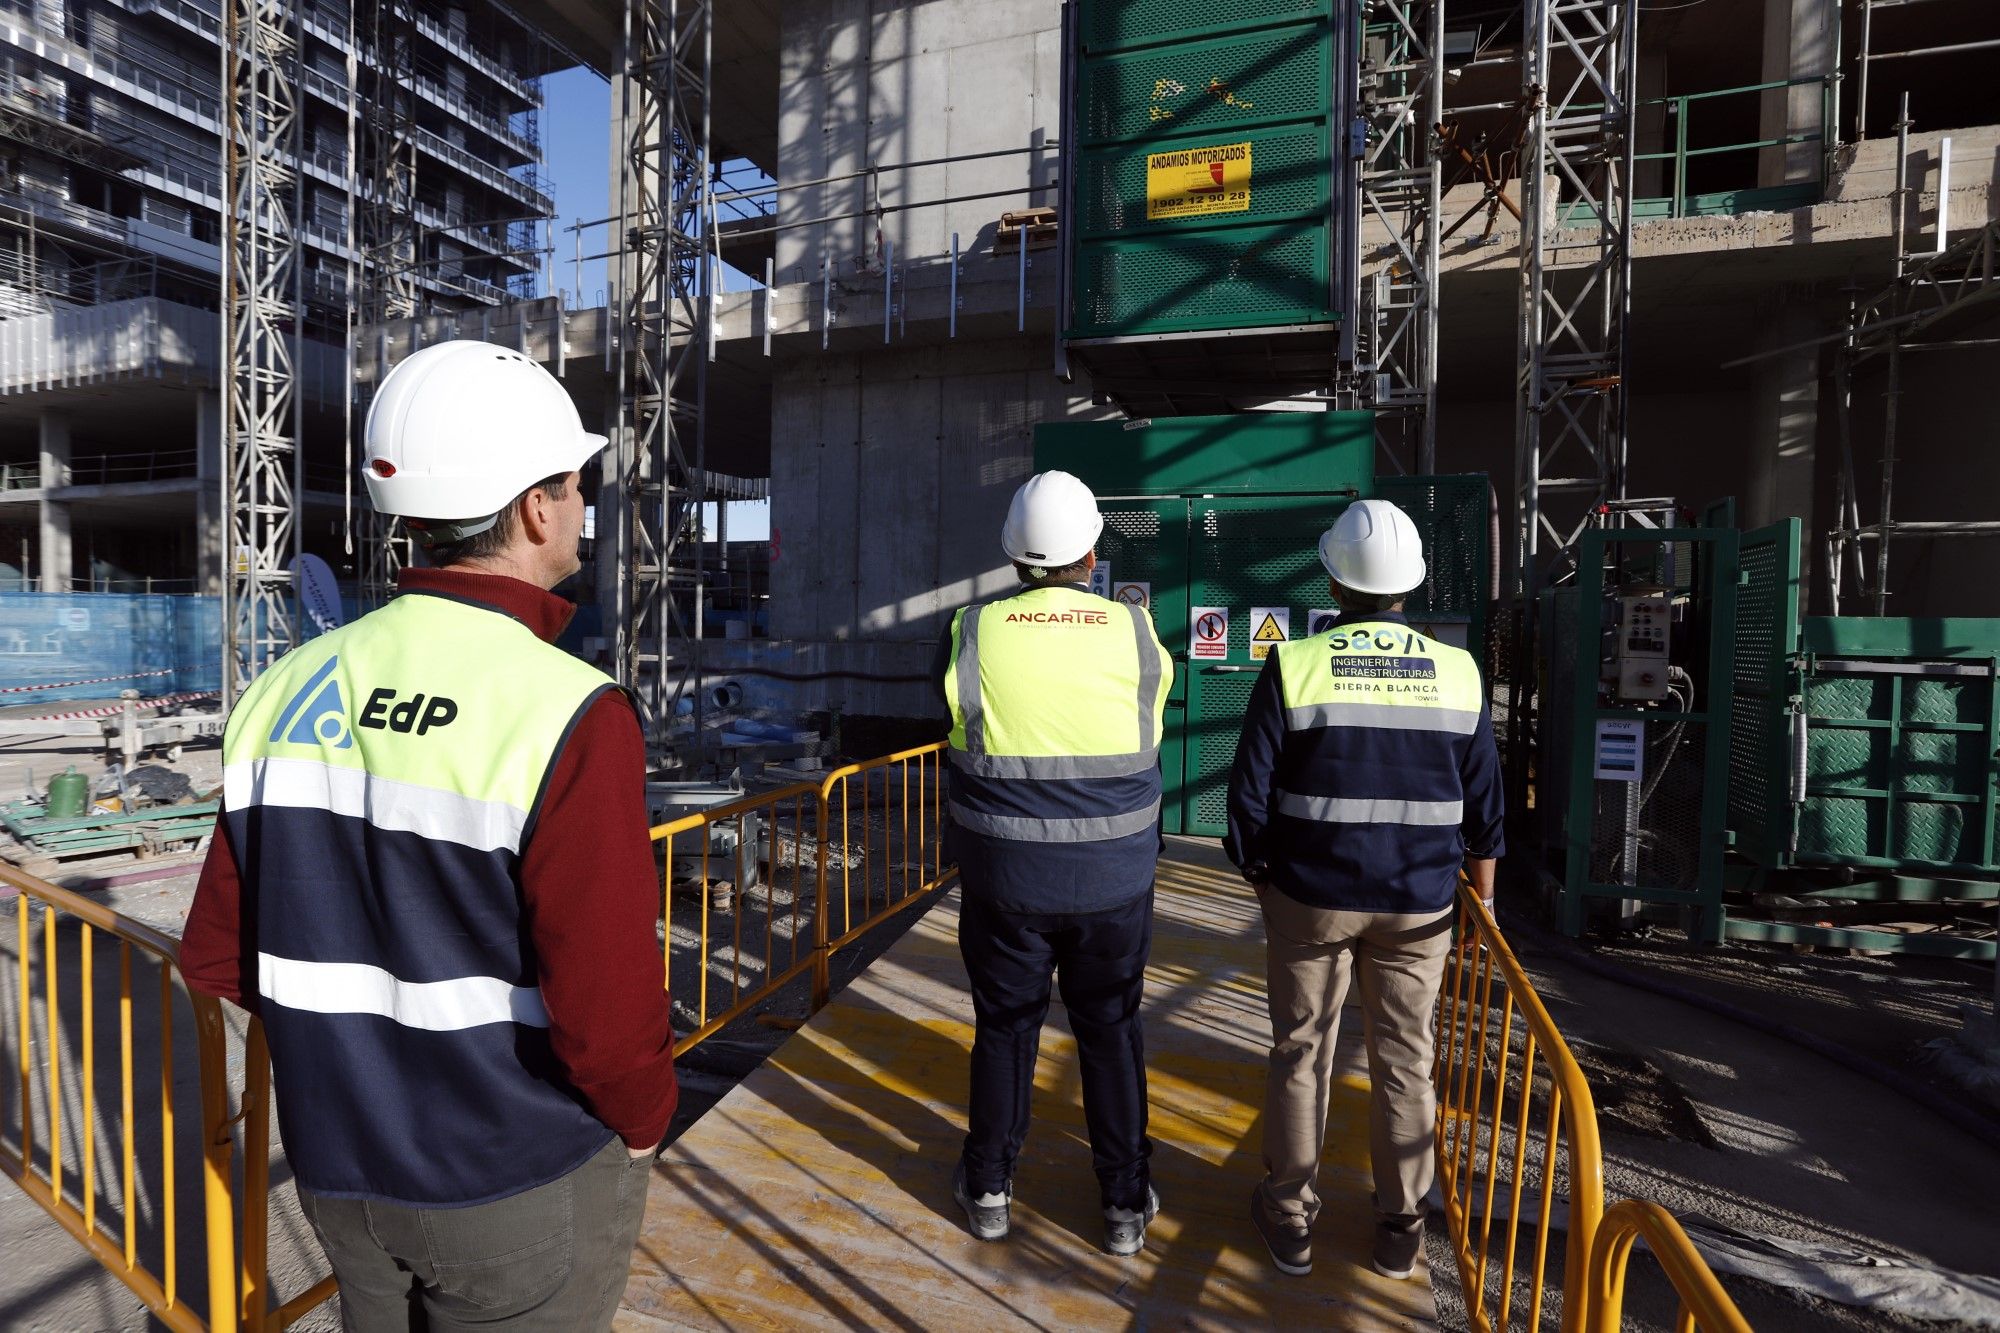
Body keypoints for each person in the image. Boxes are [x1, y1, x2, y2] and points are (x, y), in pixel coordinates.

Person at [180, 340, 678, 1331]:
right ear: (537, 507)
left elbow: (222, 957)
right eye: (575, 485)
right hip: (509, 1174)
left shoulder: (284, 690)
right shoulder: (566, 710)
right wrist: (642, 1122)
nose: (583, 507)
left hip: (337, 1169)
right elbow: (606, 1004)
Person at [1224, 498, 1502, 1282]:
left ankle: (1289, 1218)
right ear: (1410, 585)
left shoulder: (1296, 664)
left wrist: (1262, 878)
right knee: (1406, 1060)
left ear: (1335, 583)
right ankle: (1399, 1228)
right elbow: (1485, 810)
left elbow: (1247, 797)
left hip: (1309, 897)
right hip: (1420, 905)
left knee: (1300, 1051)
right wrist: (1482, 899)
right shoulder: (1457, 671)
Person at [932, 470, 1173, 1257]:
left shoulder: (971, 630)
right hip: (1113, 881)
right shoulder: (1136, 631)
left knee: (1005, 1028)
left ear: (1012, 555)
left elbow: (954, 724)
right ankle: (1124, 1205)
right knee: (1109, 1028)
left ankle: (991, 1187)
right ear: (1093, 552)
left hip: (1007, 881)